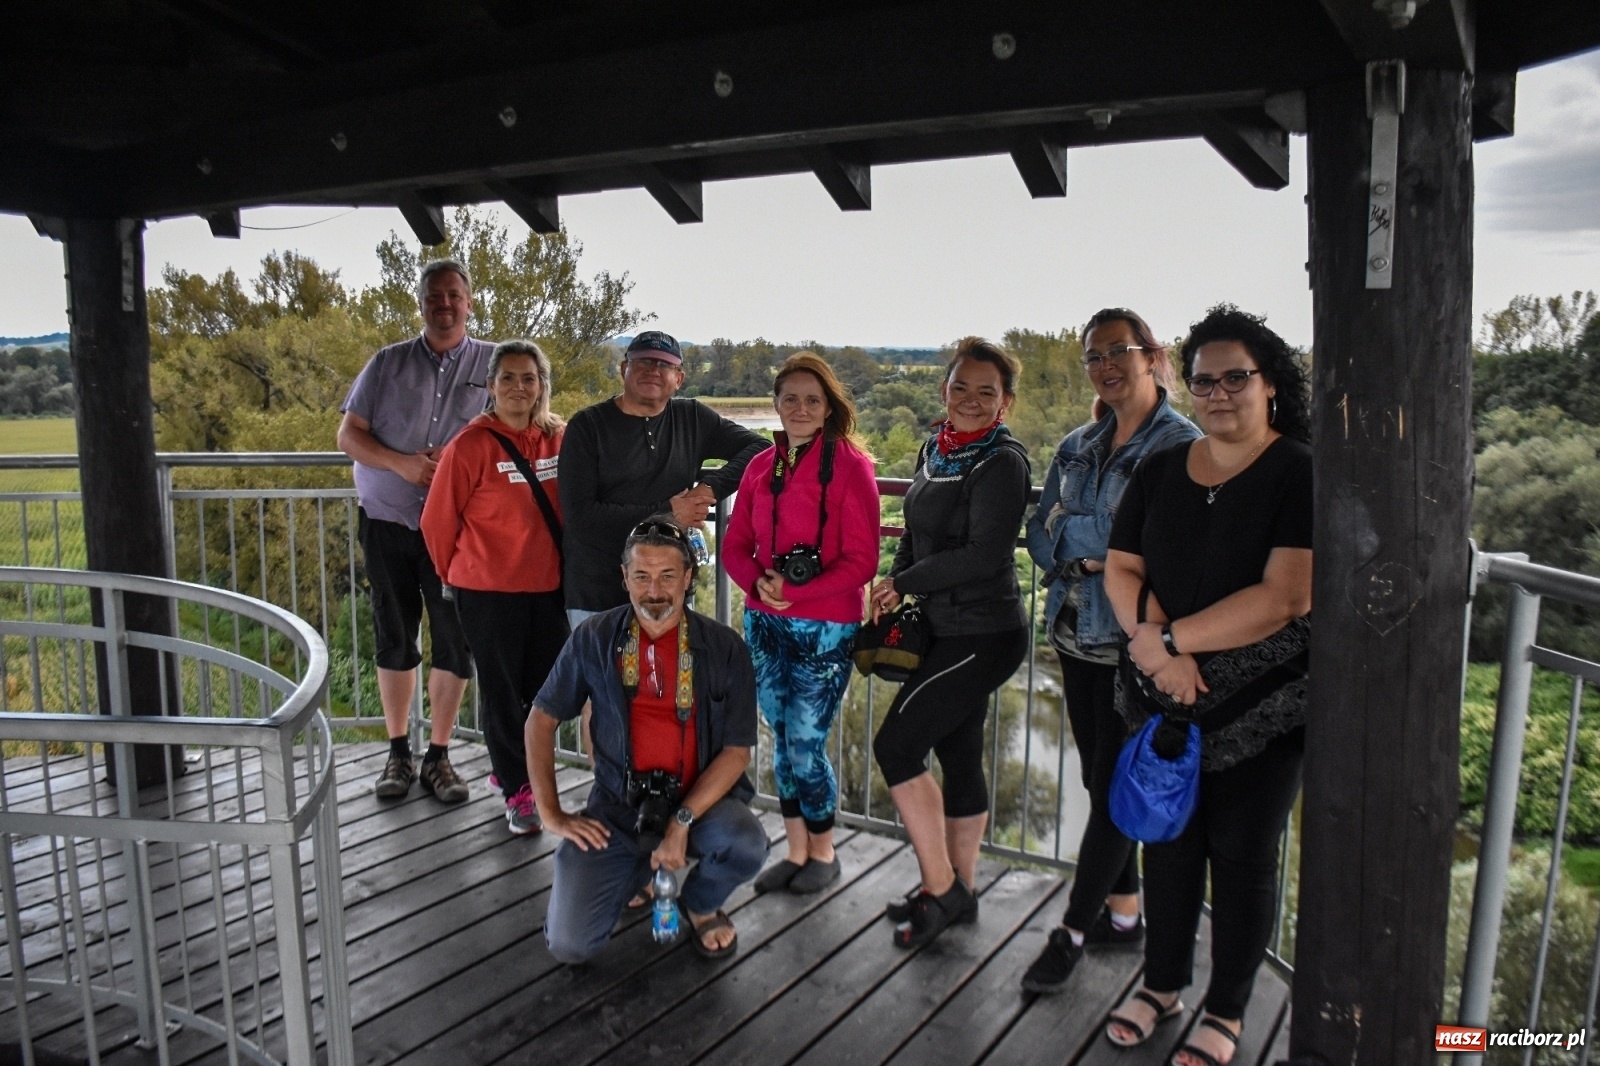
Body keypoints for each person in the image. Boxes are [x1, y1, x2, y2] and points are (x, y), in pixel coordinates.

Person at [1100, 305, 1312, 1066]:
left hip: (1264, 704)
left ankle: (1226, 1012)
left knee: (1245, 853)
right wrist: (1155, 652)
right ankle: (1161, 986)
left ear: (1271, 386)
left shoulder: (1299, 471)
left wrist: (1170, 642)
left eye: (1236, 377)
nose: (1218, 392)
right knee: (1170, 845)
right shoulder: (1162, 468)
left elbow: (1286, 596)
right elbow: (1123, 568)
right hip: (1165, 692)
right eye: (1203, 380)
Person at [1019, 309, 1200, 993]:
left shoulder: (1180, 447)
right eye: (1093, 355)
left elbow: (1158, 551)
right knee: (1100, 782)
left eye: (1117, 351)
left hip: (1136, 643)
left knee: (1115, 787)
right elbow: (1039, 535)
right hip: (1072, 634)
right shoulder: (1076, 444)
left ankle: (1069, 929)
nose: (1105, 365)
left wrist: (1087, 544)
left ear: (1153, 356)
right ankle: (1124, 917)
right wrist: (1094, 551)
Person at [528, 516, 768, 963]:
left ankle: (699, 903)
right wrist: (552, 814)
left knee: (746, 842)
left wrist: (679, 822)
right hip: (618, 807)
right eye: (641, 576)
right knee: (570, 944)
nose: (654, 590)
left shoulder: (725, 647)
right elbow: (540, 719)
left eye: (667, 576)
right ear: (624, 577)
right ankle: (634, 868)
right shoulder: (594, 637)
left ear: (688, 577)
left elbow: (737, 752)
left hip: (699, 806)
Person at [868, 337, 1031, 949]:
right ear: (945, 390)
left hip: (984, 633)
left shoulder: (1003, 463)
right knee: (959, 756)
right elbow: (915, 526)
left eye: (985, 392)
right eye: (960, 386)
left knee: (897, 746)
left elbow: (985, 553)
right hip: (943, 626)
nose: (969, 399)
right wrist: (899, 581)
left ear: (1004, 402)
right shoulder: (934, 449)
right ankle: (958, 889)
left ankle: (943, 888)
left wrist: (904, 580)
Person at [723, 352, 881, 895]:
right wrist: (759, 584)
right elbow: (735, 544)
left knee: (805, 745)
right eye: (789, 398)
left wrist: (798, 590)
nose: (800, 408)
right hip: (765, 623)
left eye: (812, 399)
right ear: (775, 405)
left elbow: (863, 561)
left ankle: (825, 850)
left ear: (828, 406)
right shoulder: (761, 466)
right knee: (781, 735)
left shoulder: (851, 466)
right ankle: (795, 850)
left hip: (827, 627)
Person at [338, 258, 492, 803]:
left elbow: (522, 432)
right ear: (422, 302)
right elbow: (348, 436)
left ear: (469, 301)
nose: (444, 304)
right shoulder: (386, 363)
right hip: (387, 523)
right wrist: (400, 464)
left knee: (455, 639)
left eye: (454, 294)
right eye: (434, 295)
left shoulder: (496, 365)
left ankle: (440, 758)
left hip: (457, 531)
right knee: (394, 634)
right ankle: (398, 752)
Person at [421, 340, 566, 835]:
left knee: (543, 692)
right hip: (486, 593)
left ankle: (518, 769)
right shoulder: (470, 446)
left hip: (549, 589)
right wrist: (458, 576)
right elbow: (436, 523)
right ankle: (517, 789)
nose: (518, 387)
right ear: (490, 386)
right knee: (503, 694)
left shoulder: (561, 440)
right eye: (508, 378)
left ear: (542, 386)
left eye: (529, 378)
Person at [558, 330, 767, 626]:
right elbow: (580, 517)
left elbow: (761, 449)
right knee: (602, 673)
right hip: (598, 593)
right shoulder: (588, 426)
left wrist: (709, 489)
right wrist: (667, 514)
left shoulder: (692, 417)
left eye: (663, 365)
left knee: (670, 673)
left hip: (669, 591)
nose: (652, 371)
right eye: (642, 362)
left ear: (678, 378)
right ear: (623, 369)